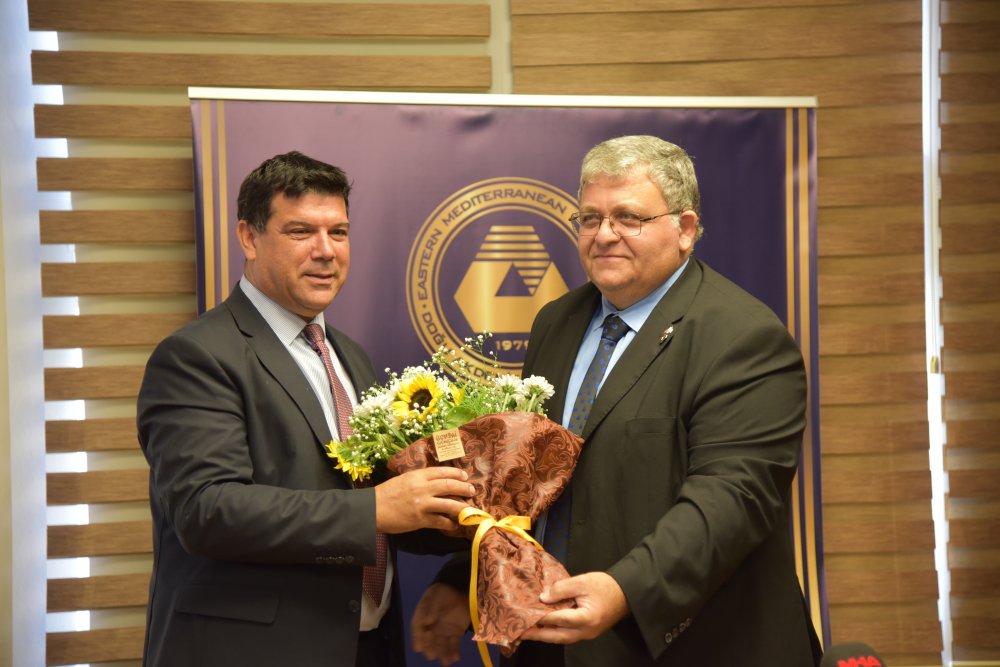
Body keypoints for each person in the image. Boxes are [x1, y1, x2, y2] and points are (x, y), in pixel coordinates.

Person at [412, 136, 822, 666]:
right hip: (555, 640)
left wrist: (625, 589)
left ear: (685, 229)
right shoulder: (556, 322)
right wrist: (460, 578)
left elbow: (731, 501)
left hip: (690, 646)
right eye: (590, 218)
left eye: (629, 217)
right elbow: (534, 481)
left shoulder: (743, 337)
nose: (604, 235)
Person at [137, 151, 475, 667]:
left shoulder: (350, 355)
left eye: (338, 232)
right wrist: (376, 509)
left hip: (369, 648)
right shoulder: (196, 356)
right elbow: (206, 510)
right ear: (249, 238)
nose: (326, 251)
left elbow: (377, 501)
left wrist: (450, 516)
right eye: (301, 232)